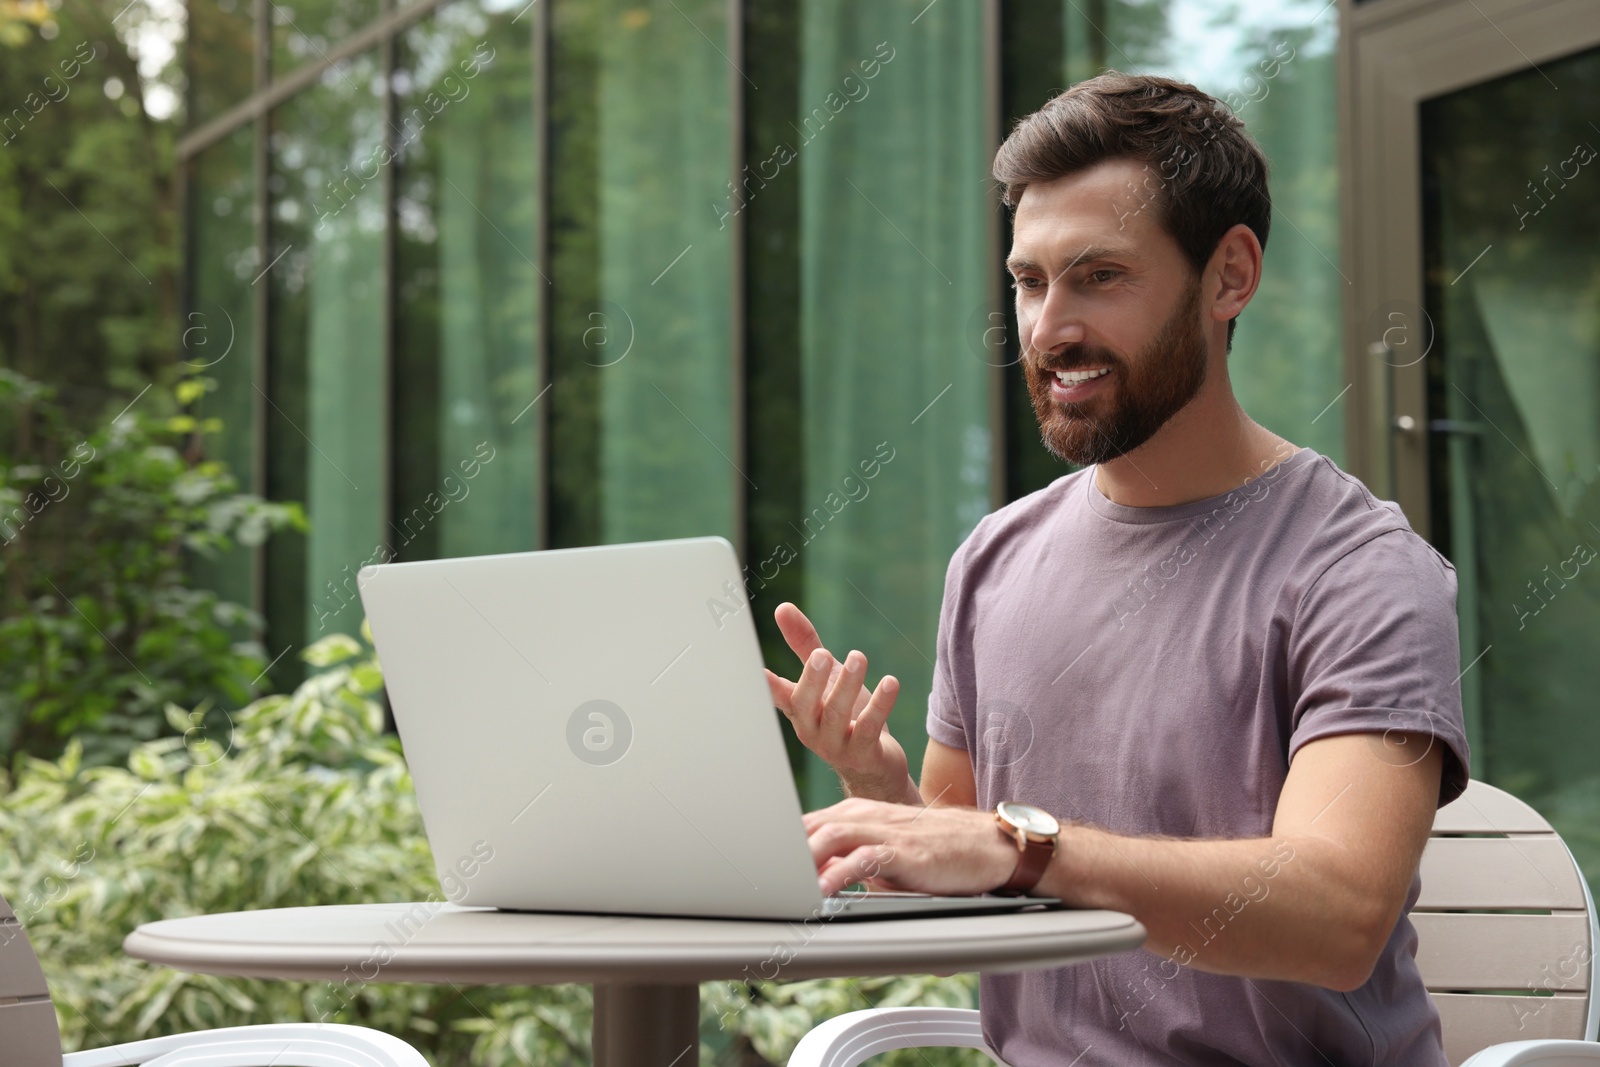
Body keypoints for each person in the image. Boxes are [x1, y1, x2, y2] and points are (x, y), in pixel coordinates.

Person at [766, 71, 1470, 1066]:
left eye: (1099, 276)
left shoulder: (1359, 571)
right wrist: (881, 802)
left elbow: (1338, 914)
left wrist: (1019, 845)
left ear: (1228, 276)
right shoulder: (995, 560)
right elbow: (969, 867)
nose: (1049, 329)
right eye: (1027, 281)